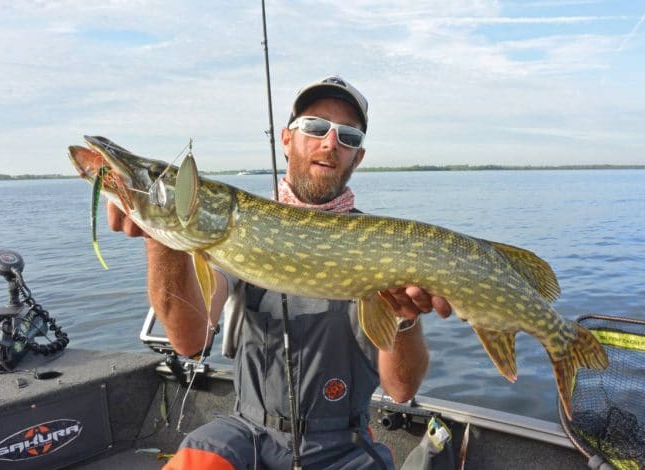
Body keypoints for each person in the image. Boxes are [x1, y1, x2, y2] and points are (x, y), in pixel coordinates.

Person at [108, 75, 452, 469]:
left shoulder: (378, 246)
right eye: (316, 128)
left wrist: (405, 322)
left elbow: (402, 389)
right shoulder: (237, 229)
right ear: (286, 140)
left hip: (344, 446)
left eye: (348, 137)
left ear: (358, 156)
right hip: (247, 435)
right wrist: (161, 237)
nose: (331, 143)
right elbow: (187, 340)